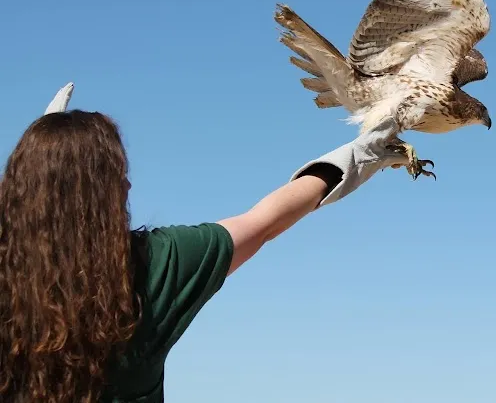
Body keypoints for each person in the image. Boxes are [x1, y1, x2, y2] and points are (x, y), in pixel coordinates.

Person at [0, 82, 407, 403]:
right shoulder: (158, 263)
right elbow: (264, 223)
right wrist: (358, 155)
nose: (127, 184)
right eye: (114, 174)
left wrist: (42, 168)